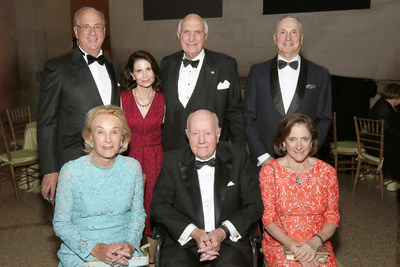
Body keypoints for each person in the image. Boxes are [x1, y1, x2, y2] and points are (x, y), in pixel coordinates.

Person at [150, 109, 263, 267]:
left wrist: (222, 232)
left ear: (218, 134)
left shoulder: (238, 156)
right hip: (184, 244)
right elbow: (158, 206)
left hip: (229, 243)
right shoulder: (172, 160)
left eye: (208, 133)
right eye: (195, 133)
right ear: (187, 134)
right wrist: (195, 233)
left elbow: (254, 205)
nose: (201, 140)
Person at [38, 6, 121, 202]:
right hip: (74, 161)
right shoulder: (57, 68)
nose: (93, 33)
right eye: (86, 27)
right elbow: (47, 122)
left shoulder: (113, 67)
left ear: (104, 30)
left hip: (111, 161)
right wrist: (50, 169)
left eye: (97, 26)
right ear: (76, 31)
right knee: (77, 226)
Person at [53, 105, 145, 267]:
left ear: (122, 138)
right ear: (90, 137)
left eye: (114, 132)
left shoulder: (133, 167)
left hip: (123, 249)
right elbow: (61, 224)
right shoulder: (71, 171)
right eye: (100, 132)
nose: (108, 139)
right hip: (82, 251)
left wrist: (130, 244)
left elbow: (138, 215)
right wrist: (94, 248)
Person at [244, 15, 332, 168]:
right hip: (264, 164)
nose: (288, 38)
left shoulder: (320, 74)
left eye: (294, 32)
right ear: (275, 37)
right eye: (282, 32)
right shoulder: (257, 72)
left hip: (303, 163)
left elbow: (324, 119)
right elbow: (248, 118)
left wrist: (306, 152)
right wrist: (263, 157)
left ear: (301, 38)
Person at [259, 113, 339, 266]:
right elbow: (268, 220)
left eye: (305, 139)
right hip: (281, 243)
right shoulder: (270, 172)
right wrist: (296, 249)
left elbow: (332, 218)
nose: (299, 146)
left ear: (312, 142)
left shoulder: (327, 172)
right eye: (292, 139)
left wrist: (314, 243)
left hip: (317, 241)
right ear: (283, 143)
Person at [160, 13, 245, 151]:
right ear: (178, 35)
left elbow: (235, 112)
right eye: (186, 31)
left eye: (197, 32)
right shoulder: (167, 64)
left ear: (205, 36)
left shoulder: (225, 65)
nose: (191, 38)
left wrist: (238, 152)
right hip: (172, 151)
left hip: (212, 150)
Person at [120, 50, 165, 265]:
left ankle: (152, 261)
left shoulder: (164, 100)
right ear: (131, 74)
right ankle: (129, 257)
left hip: (157, 160)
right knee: (130, 207)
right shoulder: (122, 99)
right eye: (139, 70)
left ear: (154, 72)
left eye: (148, 69)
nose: (145, 74)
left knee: (153, 208)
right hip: (130, 159)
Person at [369, 83, 400, 197]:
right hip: (377, 146)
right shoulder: (383, 106)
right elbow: (385, 129)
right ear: (396, 95)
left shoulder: (387, 105)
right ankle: (393, 178)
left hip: (382, 142)